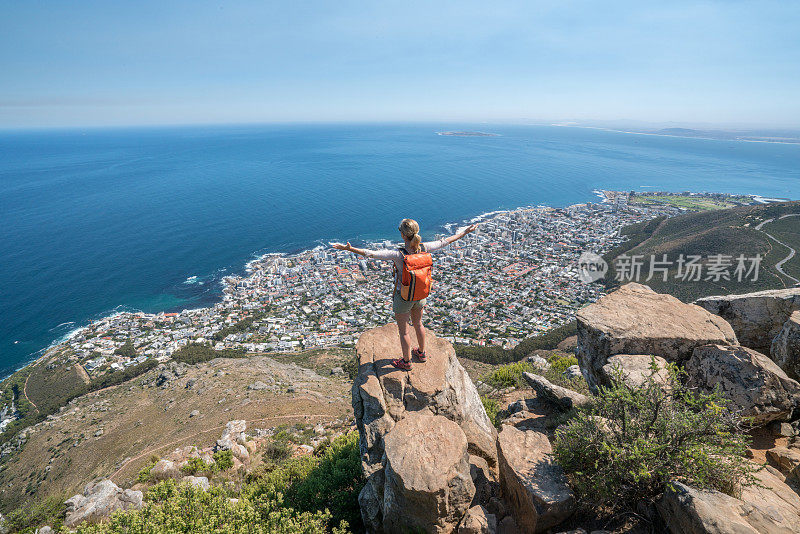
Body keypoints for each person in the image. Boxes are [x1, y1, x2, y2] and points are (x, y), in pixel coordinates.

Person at [331, 219, 477, 370]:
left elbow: (371, 254)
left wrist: (349, 249)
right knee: (419, 324)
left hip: (403, 297)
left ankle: (406, 362)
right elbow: (445, 241)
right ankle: (421, 353)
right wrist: (465, 232)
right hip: (421, 295)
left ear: (402, 235)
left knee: (404, 331)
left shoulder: (398, 254)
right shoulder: (424, 247)